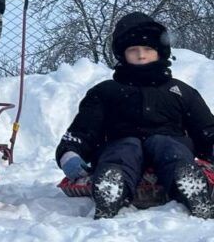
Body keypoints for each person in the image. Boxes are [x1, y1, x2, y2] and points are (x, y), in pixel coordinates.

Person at [56, 12, 214, 219]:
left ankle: (188, 187)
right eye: (134, 50)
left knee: (168, 147)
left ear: (160, 52)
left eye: (148, 49)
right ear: (123, 54)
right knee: (125, 148)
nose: (141, 55)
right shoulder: (106, 92)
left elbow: (206, 129)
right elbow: (83, 131)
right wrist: (71, 155)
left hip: (171, 146)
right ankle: (113, 187)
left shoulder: (180, 91)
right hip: (120, 145)